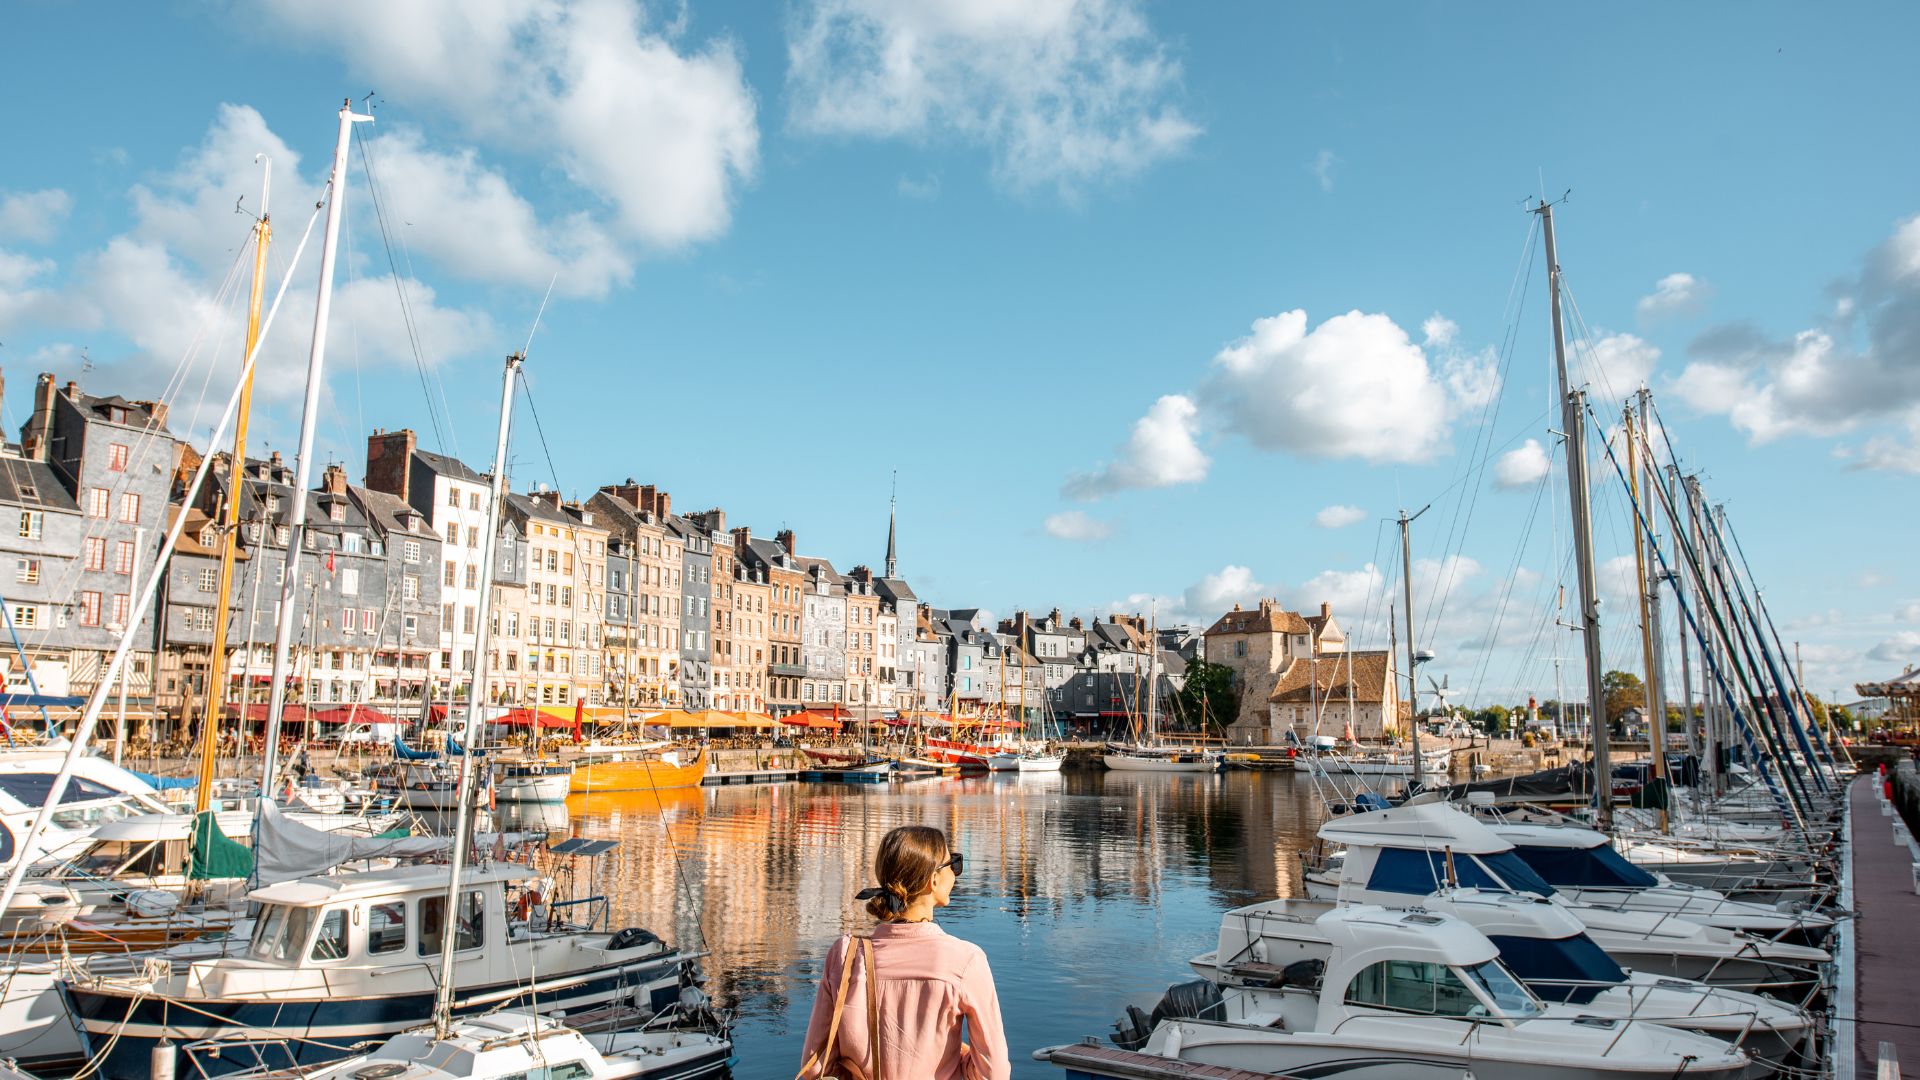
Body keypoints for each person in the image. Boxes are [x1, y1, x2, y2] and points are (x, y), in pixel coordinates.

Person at [798, 825, 1009, 1080]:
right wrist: (957, 1058)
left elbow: (815, 1067)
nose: (955, 872)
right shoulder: (965, 962)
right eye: (952, 864)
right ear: (933, 880)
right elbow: (993, 1073)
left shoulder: (845, 956)